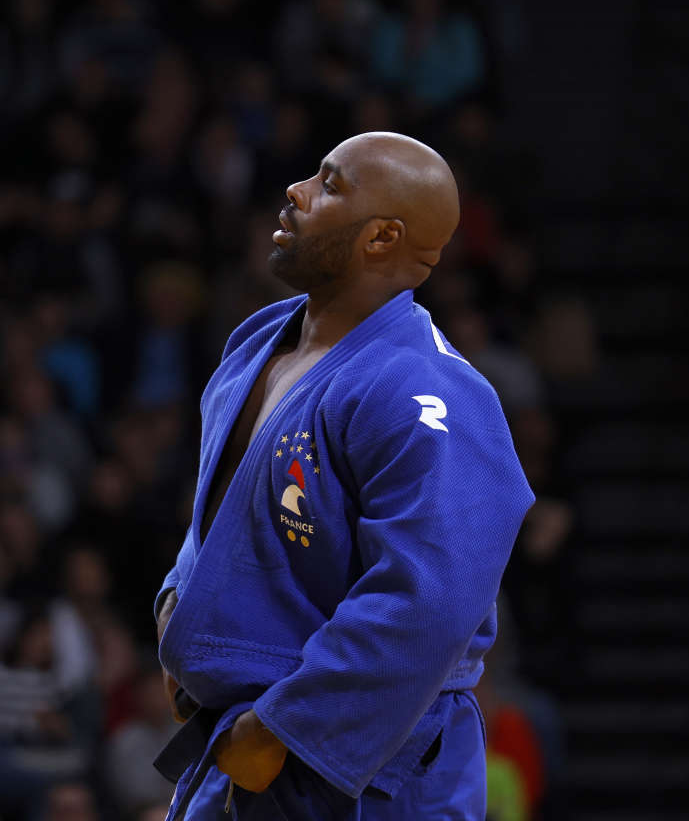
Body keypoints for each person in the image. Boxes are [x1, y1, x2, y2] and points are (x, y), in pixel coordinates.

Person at [152, 133, 533, 819]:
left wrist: (283, 727)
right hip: (243, 745)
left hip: (365, 763)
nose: (296, 192)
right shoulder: (259, 341)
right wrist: (176, 603)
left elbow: (427, 601)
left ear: (383, 237)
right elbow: (223, 516)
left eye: (328, 185)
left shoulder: (429, 389)